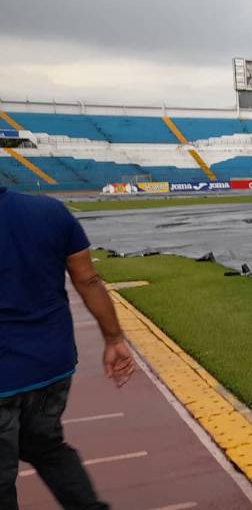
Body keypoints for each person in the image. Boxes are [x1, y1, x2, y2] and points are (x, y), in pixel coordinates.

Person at [1, 186, 137, 510]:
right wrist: (114, 340)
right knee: (46, 446)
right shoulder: (50, 212)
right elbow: (88, 280)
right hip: (52, 364)